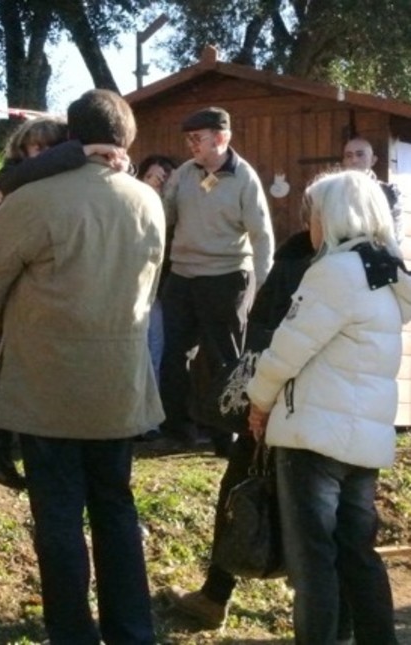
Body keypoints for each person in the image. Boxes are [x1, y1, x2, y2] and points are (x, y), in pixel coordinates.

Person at [0, 89, 164, 644]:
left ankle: (71, 634)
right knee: (117, 511)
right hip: (121, 384)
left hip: (47, 383)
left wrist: (22, 328)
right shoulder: (149, 201)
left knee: (57, 519)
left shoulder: (36, 199)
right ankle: (132, 632)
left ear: (70, 136)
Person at [247, 169, 411, 645]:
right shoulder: (386, 276)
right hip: (364, 440)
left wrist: (258, 401)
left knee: (313, 564)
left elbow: (286, 350)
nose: (309, 223)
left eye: (313, 213)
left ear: (335, 216)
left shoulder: (334, 273)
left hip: (312, 437)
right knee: (359, 555)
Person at [168, 226, 315, 629]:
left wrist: (260, 404)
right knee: (319, 511)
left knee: (241, 490)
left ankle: (218, 595)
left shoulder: (299, 264)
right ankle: (322, 611)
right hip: (336, 414)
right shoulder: (378, 268)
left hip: (281, 405)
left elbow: (264, 341)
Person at [0, 115, 128, 490]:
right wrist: (82, 152)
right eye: (35, 148)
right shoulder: (20, 181)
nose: (40, 155)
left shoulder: (60, 186)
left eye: (49, 148)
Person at [160, 106, 274, 453]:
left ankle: (228, 436)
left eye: (197, 138)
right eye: (189, 139)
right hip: (182, 276)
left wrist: (264, 284)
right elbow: (163, 218)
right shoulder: (183, 173)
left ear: (221, 138)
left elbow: (262, 236)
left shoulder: (245, 178)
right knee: (174, 355)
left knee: (225, 357)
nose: (191, 144)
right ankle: (177, 431)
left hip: (226, 279)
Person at [135, 154, 179, 441]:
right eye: (152, 177)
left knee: (155, 353)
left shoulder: (171, 210)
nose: (157, 183)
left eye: (163, 179)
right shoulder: (131, 202)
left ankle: (149, 420)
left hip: (159, 293)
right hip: (131, 291)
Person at [342, 136, 404, 243]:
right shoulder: (334, 191)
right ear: (344, 161)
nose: (354, 160)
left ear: (373, 160)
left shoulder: (389, 192)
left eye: (360, 154)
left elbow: (395, 234)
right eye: (349, 156)